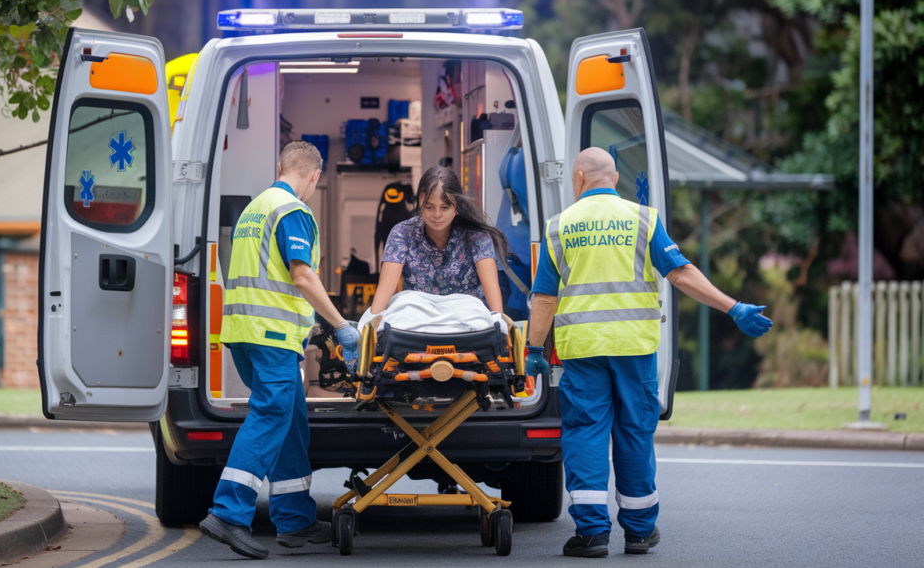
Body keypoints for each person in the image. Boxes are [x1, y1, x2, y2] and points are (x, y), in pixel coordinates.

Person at [525, 148, 773, 558]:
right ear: (615, 178)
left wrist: (535, 348)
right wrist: (733, 307)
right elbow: (681, 273)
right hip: (633, 348)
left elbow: (545, 299)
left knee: (585, 432)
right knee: (634, 432)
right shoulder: (644, 219)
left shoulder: (559, 227)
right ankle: (640, 532)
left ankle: (591, 534)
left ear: (579, 177)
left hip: (582, 351)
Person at [200, 141, 361, 560]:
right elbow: (302, 275)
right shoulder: (293, 211)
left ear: (281, 167)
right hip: (271, 337)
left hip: (243, 332)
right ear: (314, 176)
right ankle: (229, 512)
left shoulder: (255, 208)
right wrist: (341, 325)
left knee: (290, 422)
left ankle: (295, 521)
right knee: (271, 415)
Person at [370, 165, 508, 315]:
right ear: (419, 205)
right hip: (416, 326)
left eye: (444, 207)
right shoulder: (402, 233)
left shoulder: (477, 237)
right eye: (429, 207)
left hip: (466, 325)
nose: (437, 215)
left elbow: (496, 311)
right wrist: (371, 328)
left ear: (457, 206)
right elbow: (381, 300)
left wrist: (499, 328)